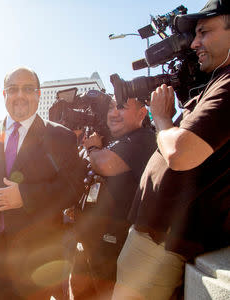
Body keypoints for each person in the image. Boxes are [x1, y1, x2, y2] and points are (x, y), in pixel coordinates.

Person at [113, 1, 230, 299]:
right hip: (159, 239)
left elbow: (179, 153)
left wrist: (163, 117)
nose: (194, 43)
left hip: (164, 242)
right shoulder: (218, 80)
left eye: (204, 32)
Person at [0, 67, 83, 299]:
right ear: (4, 95)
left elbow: (72, 189)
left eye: (28, 89)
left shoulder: (61, 137)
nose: (20, 95)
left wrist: (25, 196)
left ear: (38, 94)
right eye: (13, 89)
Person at [69, 97, 156, 299]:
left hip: (114, 246)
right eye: (111, 107)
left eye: (122, 107)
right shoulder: (110, 141)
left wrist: (92, 148)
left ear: (142, 114)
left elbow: (105, 164)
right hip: (90, 239)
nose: (114, 113)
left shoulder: (144, 138)